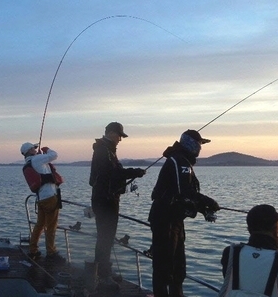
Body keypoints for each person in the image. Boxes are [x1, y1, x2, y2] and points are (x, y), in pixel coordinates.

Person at [148, 129, 220, 297]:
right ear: (190, 143)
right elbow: (184, 192)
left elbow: (183, 197)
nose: (200, 148)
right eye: (199, 144)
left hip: (174, 220)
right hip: (165, 221)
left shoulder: (182, 161)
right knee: (164, 266)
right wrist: (208, 202)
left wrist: (203, 209)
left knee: (178, 266)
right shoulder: (179, 161)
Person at [89, 122, 146, 289]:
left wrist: (132, 172)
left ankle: (104, 270)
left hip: (106, 199)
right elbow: (113, 172)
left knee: (106, 237)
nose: (121, 139)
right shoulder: (103, 150)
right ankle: (103, 276)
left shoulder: (107, 149)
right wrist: (135, 171)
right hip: (105, 200)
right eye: (120, 135)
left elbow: (113, 172)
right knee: (105, 237)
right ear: (112, 133)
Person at [20, 141, 65, 263]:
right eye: (34, 148)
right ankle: (51, 252)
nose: (36, 149)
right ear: (29, 151)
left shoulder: (29, 163)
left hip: (40, 199)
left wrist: (41, 155)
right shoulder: (38, 159)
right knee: (51, 226)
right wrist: (47, 149)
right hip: (50, 197)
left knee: (39, 225)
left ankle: (33, 249)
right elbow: (54, 155)